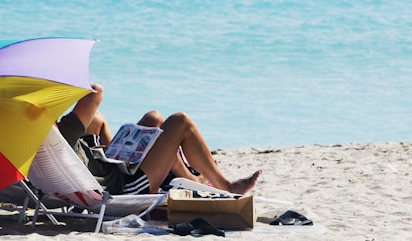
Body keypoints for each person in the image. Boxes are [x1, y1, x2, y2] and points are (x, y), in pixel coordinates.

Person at [56, 83, 262, 196]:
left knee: (153, 119)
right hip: (126, 188)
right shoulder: (65, 132)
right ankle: (226, 186)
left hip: (113, 171)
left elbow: (95, 122)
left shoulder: (49, 140)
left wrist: (102, 154)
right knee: (180, 122)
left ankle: (193, 179)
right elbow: (95, 91)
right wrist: (63, 85)